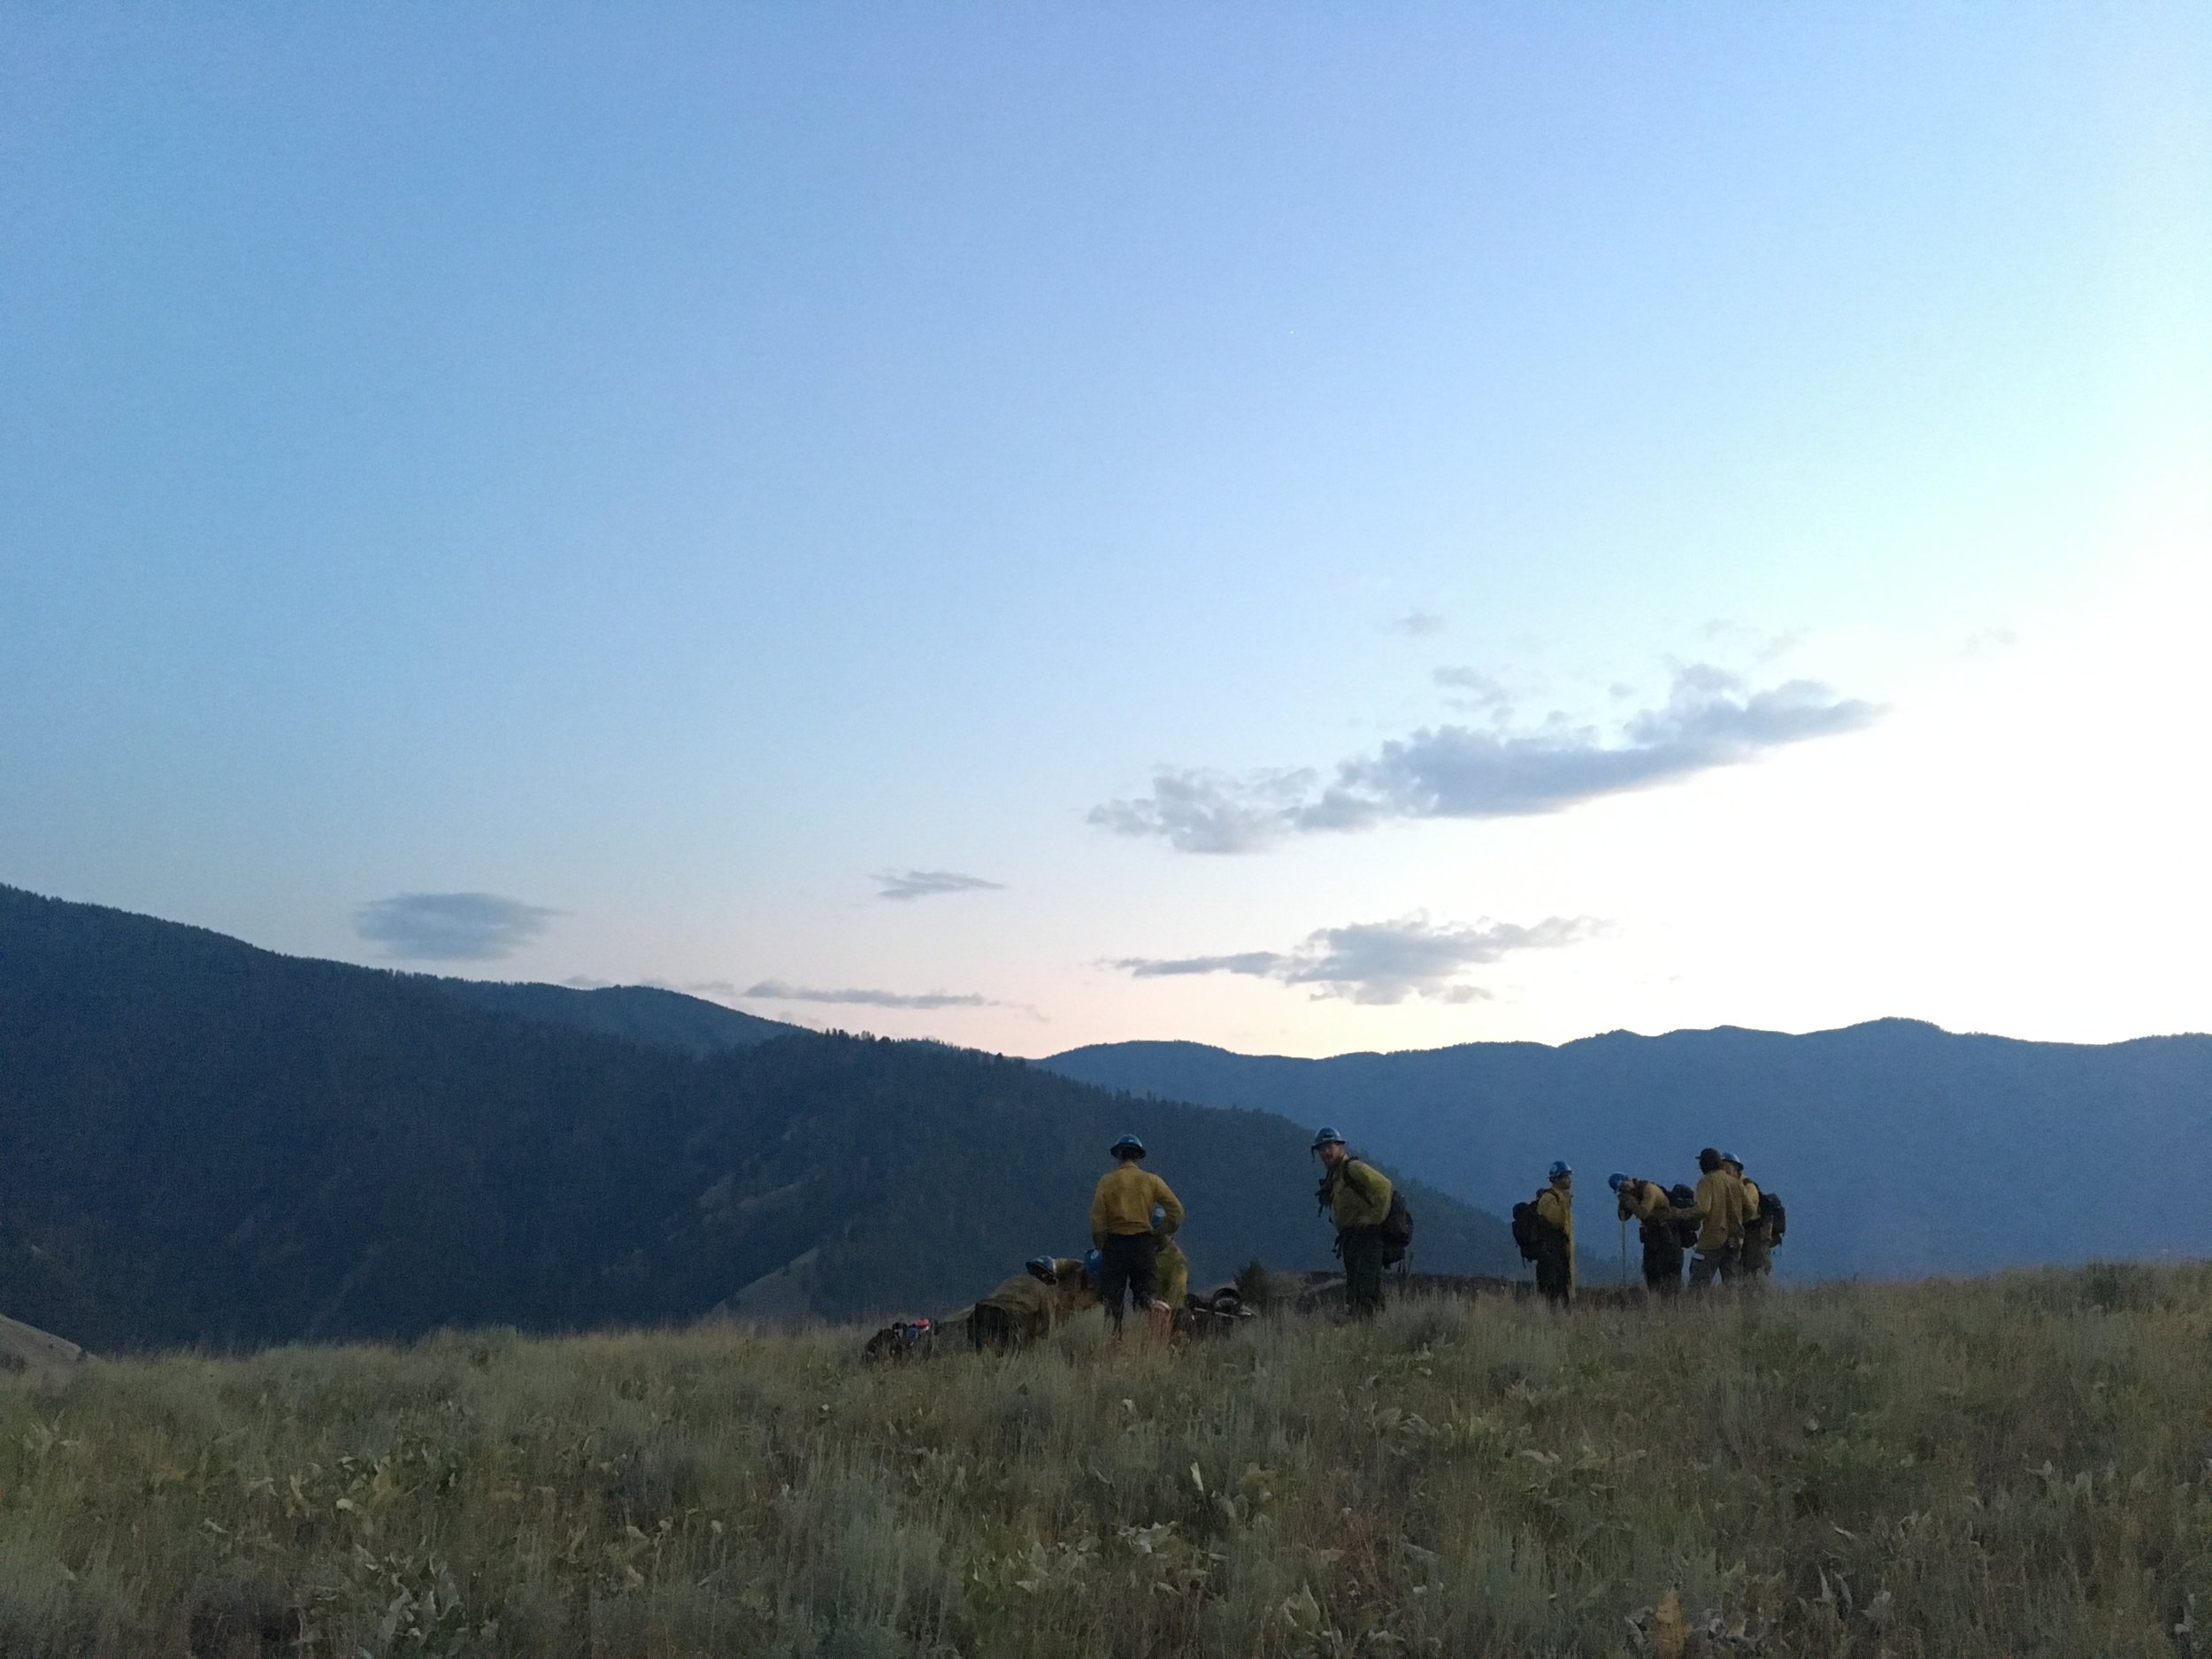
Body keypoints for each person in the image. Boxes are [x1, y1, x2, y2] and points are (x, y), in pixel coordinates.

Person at [1089, 1133, 1183, 1334]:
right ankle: (1149, 1339)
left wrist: (1103, 1245)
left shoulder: (1106, 1182)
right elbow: (1177, 1212)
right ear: (1138, 1157)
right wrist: (1159, 1234)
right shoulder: (1151, 1181)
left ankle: (1114, 1341)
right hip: (1143, 1245)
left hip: (1115, 1246)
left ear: (1118, 1156)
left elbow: (1097, 1222)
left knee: (1113, 1298)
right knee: (1145, 1294)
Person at [1311, 1126, 1394, 1317]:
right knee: (1356, 1287)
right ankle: (1369, 1328)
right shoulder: (1336, 1176)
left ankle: (1369, 1329)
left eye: (1329, 1147)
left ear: (1340, 1146)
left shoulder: (1353, 1169)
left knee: (1365, 1288)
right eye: (1321, 1149)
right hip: (1352, 1239)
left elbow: (1384, 1186)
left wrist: (1374, 1218)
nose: (1325, 1153)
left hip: (1367, 1237)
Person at [966, 1256, 1098, 1351]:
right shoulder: (1044, 1291)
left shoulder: (1013, 1280)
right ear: (1048, 1276)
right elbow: (1047, 1328)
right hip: (1007, 1318)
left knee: (978, 1355)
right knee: (1010, 1358)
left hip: (979, 1312)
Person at [1609, 1172, 1687, 1296]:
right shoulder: (1632, 1194)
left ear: (1628, 1180)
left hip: (1667, 1234)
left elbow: (1643, 1213)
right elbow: (1623, 1217)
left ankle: (1672, 1303)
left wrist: (1629, 1201)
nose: (1624, 1190)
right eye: (1620, 1189)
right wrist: (1623, 1202)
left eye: (1624, 1186)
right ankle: (1655, 1300)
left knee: (1668, 1272)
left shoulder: (1649, 1189)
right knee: (1651, 1271)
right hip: (1652, 1236)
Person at [1687, 1147, 1746, 1290]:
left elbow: (1702, 1209)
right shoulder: (1736, 1183)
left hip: (1711, 1240)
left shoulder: (1706, 1181)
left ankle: (1697, 1311)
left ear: (1705, 1163)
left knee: (1699, 1283)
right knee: (1731, 1283)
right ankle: (1731, 1310)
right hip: (1734, 1240)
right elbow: (1750, 1209)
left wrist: (1681, 1213)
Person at [1727, 1154, 1777, 1282]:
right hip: (1746, 1231)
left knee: (1755, 1267)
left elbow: (1748, 1211)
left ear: (1735, 1168)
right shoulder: (1734, 1185)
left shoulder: (1747, 1186)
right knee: (1742, 1267)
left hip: (1756, 1231)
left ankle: (1757, 1295)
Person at [1532, 1161, 1576, 1306]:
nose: (1569, 1180)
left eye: (1569, 1176)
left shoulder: (1561, 1197)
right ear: (1556, 1179)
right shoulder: (1549, 1199)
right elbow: (1556, 1220)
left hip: (1561, 1251)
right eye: (1566, 1176)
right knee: (1552, 1288)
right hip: (1551, 1253)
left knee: (1563, 1287)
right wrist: (1565, 1202)